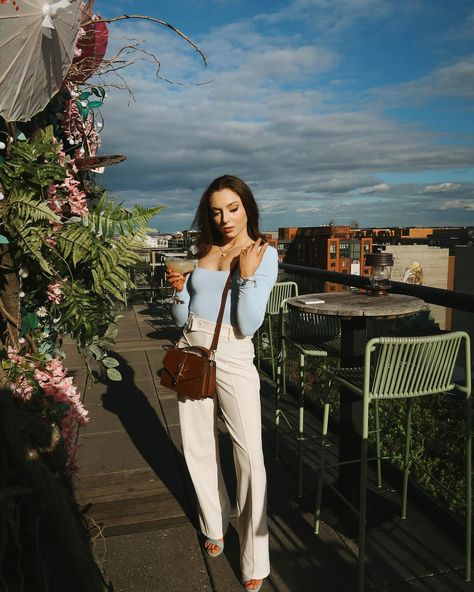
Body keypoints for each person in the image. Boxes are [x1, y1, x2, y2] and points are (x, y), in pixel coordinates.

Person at [167, 175, 278, 592]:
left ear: (247, 206)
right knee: (197, 447)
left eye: (232, 208)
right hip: (192, 351)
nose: (225, 218)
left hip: (232, 354)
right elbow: (183, 318)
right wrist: (179, 293)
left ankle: (255, 558)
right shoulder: (204, 250)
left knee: (249, 456)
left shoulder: (263, 254)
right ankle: (214, 523)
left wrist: (247, 277)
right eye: (216, 210)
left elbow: (249, 323)